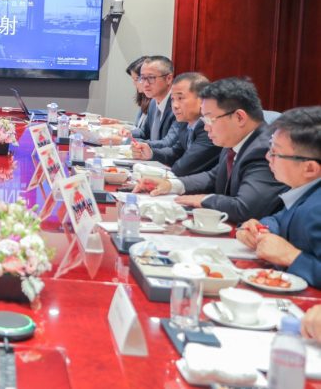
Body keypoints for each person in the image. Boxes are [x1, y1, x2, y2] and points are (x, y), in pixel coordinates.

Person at [135, 77, 287, 224]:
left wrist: (203, 199)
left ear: (239, 117)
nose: (206, 127)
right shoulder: (235, 141)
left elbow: (245, 208)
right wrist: (171, 184)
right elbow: (214, 176)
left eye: (209, 119)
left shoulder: (265, 150)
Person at [236, 106, 321, 286]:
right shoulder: (305, 191)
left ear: (310, 168)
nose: (267, 157)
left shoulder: (317, 208)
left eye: (275, 152)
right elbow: (280, 219)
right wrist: (260, 228)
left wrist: (293, 257)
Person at [131, 73, 222, 176]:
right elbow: (175, 152)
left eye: (180, 98)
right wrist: (151, 153)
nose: (174, 105)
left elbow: (184, 167)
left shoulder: (209, 129)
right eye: (172, 99)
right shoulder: (184, 123)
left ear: (202, 99)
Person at [129, 56, 177, 142]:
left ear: (168, 79)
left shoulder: (177, 106)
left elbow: (168, 144)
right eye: (142, 78)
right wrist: (125, 134)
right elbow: (145, 133)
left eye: (151, 78)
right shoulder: (153, 103)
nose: (145, 84)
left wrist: (126, 140)